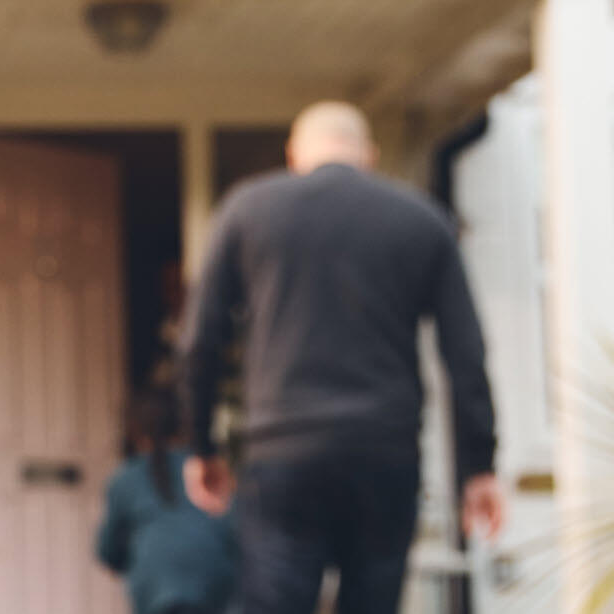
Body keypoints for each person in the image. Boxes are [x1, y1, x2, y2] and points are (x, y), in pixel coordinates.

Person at [176, 100, 505, 614]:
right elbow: (464, 351)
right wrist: (478, 466)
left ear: (294, 155)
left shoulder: (248, 210)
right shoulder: (422, 220)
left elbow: (200, 339)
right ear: (368, 156)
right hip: (384, 453)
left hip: (282, 452)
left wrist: (201, 445)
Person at [96, 389, 237, 614]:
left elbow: (107, 551)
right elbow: (236, 533)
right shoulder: (209, 472)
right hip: (214, 585)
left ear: (134, 430)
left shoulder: (125, 479)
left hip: (154, 589)